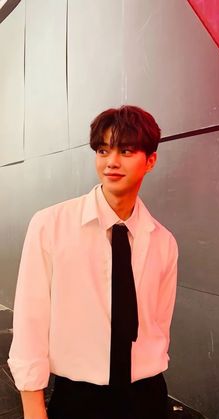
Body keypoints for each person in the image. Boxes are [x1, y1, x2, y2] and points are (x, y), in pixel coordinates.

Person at [8, 105, 178, 419]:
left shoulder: (162, 241)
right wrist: (33, 410)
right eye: (103, 150)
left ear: (151, 160)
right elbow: (30, 323)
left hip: (148, 395)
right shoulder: (50, 225)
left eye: (126, 151)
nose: (111, 162)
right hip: (79, 397)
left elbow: (159, 324)